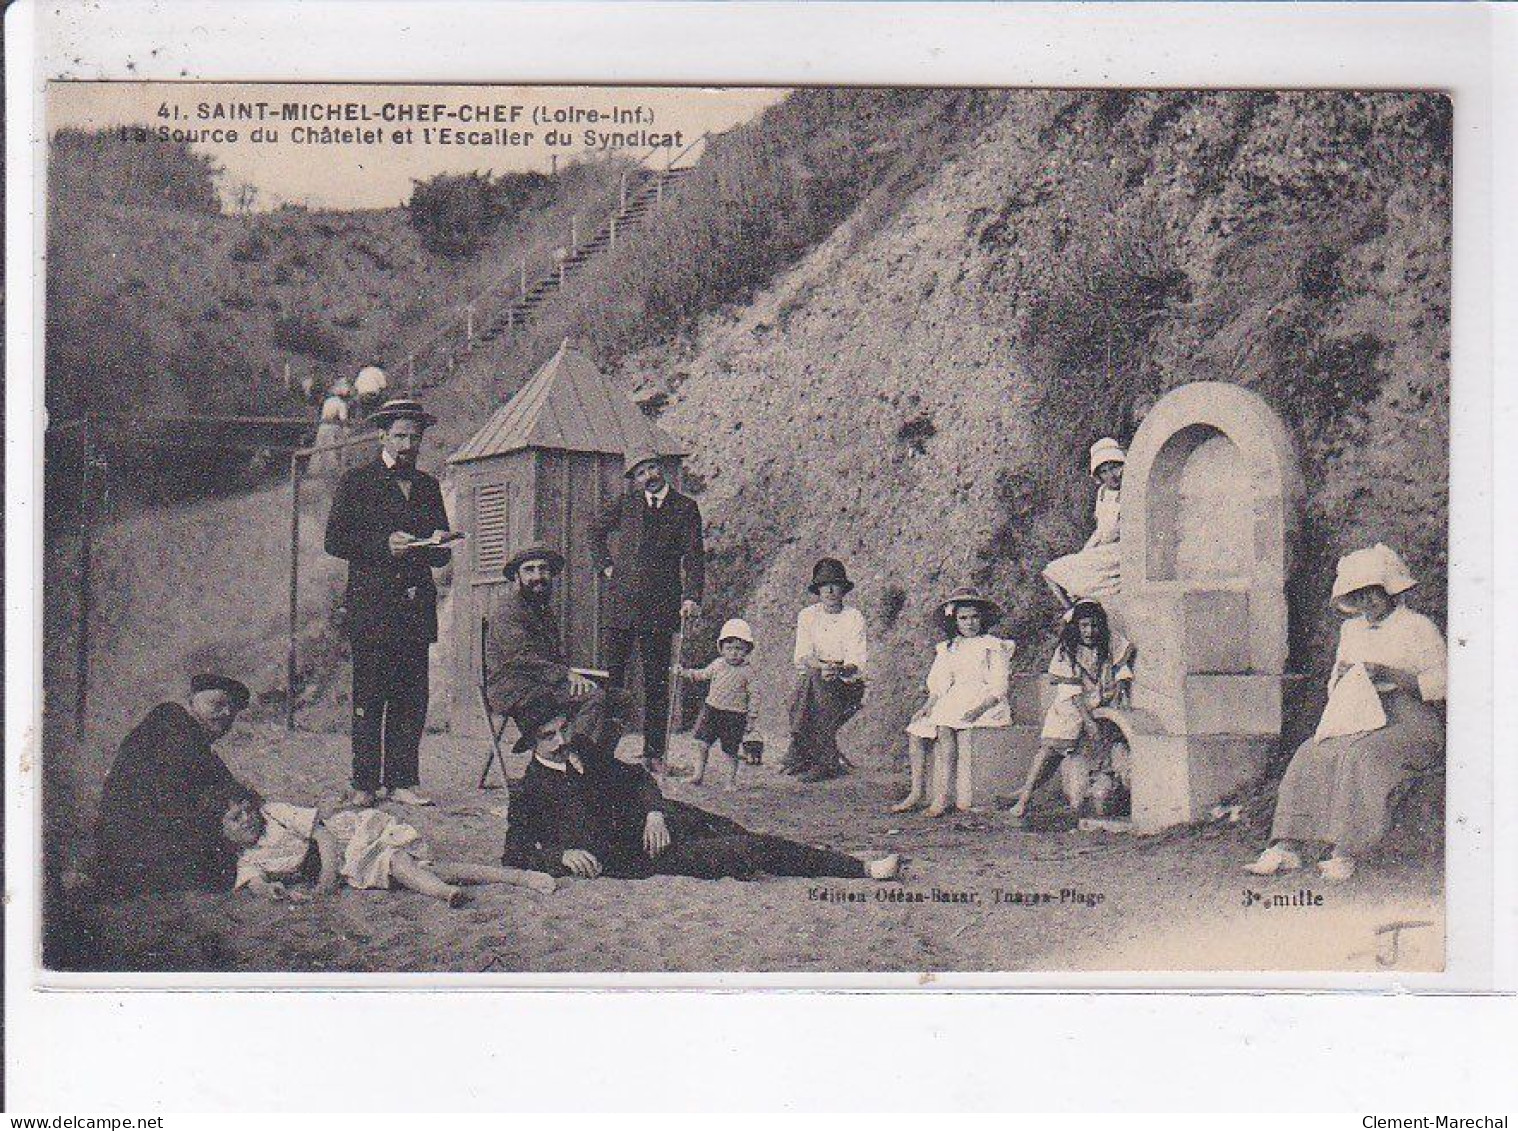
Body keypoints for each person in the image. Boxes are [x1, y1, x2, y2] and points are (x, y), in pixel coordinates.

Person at [502, 697, 901, 882]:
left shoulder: (585, 750)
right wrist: (563, 855)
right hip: (645, 855)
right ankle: (862, 870)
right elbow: (514, 855)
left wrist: (655, 812)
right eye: (547, 736)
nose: (559, 740)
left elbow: (638, 778)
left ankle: (842, 861)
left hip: (660, 820)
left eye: (562, 729)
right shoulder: (529, 791)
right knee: (750, 850)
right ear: (531, 743)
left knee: (735, 830)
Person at [1246, 544, 1447, 883]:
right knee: (1311, 751)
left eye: (1374, 594)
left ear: (1390, 591)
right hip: (1359, 716)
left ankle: (1346, 851)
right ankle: (1286, 845)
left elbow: (1443, 685)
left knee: (1361, 755)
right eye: (1360, 595)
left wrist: (1390, 675)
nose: (1367, 602)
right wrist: (1342, 679)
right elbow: (1336, 689)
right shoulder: (1350, 630)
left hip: (1410, 721)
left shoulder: (1418, 626)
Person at [324, 398, 452, 808]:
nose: (407, 445)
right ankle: (364, 782)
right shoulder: (356, 481)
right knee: (370, 695)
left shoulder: (429, 486)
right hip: (373, 607)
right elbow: (335, 540)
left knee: (411, 696)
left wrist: (435, 545)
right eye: (399, 436)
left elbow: (442, 550)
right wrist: (383, 546)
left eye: (414, 438)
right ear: (382, 435)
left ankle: (402, 780)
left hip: (415, 606)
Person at [221, 795, 555, 908]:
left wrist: (325, 883)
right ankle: (518, 877)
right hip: (351, 865)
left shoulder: (273, 813)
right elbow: (255, 884)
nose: (247, 817)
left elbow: (323, 836)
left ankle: (444, 893)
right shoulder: (248, 859)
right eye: (235, 818)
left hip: (350, 842)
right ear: (224, 836)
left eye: (246, 808)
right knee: (428, 868)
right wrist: (271, 889)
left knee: (397, 861)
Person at [591, 448, 705, 774]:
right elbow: (594, 531)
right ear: (635, 480)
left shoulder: (685, 508)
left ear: (662, 470)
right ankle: (603, 751)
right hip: (622, 606)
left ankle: (654, 754)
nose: (648, 476)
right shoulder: (627, 505)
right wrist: (606, 567)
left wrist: (692, 596)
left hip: (660, 606)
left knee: (656, 681)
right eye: (641, 473)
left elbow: (695, 557)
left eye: (652, 468)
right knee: (614, 680)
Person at [93, 674, 258, 895]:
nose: (227, 714)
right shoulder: (172, 733)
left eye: (233, 708)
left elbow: (220, 782)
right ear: (191, 701)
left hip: (128, 843)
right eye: (216, 704)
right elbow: (175, 803)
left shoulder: (184, 733)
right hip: (137, 848)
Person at [483, 542, 626, 757]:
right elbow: (522, 658)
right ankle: (569, 764)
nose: (537, 576)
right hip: (516, 687)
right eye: (529, 570)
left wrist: (574, 675)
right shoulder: (509, 611)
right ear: (517, 577)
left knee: (620, 698)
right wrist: (566, 675)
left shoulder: (542, 609)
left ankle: (594, 763)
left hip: (544, 682)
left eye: (543, 569)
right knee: (594, 696)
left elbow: (551, 658)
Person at [892, 587, 1012, 818]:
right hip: (953, 698)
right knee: (917, 730)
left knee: (945, 727)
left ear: (982, 618)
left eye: (975, 617)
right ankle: (916, 792)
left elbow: (999, 686)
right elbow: (940, 683)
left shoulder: (993, 646)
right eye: (963, 618)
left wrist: (979, 709)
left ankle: (942, 797)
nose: (969, 623)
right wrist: (926, 707)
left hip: (984, 700)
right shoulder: (949, 648)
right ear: (954, 620)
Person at [1010, 600, 1134, 820]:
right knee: (1051, 750)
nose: (1089, 631)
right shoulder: (1067, 649)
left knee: (1106, 749)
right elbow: (1072, 690)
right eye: (1084, 626)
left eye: (1094, 626)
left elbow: (1121, 671)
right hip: (1071, 705)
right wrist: (1087, 720)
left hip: (1100, 699)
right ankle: (1024, 796)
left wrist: (1118, 696)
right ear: (1076, 626)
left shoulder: (1111, 643)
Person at [784, 558, 868, 782]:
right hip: (816, 674)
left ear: (843, 589)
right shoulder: (808, 615)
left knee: (809, 690)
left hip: (846, 682)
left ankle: (809, 755)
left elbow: (856, 661)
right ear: (818, 589)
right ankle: (818, 758)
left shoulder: (853, 617)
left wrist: (837, 670)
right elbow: (803, 655)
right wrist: (823, 667)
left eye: (835, 584)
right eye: (825, 585)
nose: (830, 590)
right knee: (813, 681)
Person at [1043, 437, 1125, 611]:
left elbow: (1116, 531)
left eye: (1115, 467)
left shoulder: (1130, 490)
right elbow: (1100, 530)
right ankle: (1072, 612)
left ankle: (1081, 608)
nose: (1112, 475)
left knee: (1079, 579)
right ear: (1098, 475)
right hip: (1102, 547)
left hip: (1121, 550)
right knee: (1051, 572)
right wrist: (1084, 553)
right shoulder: (1102, 493)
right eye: (1104, 471)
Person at [679, 618, 758, 790]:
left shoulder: (748, 672)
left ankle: (730, 781)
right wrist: (685, 673)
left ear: (747, 650)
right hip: (712, 710)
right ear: (721, 649)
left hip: (735, 715)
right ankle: (698, 774)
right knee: (701, 743)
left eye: (739, 649)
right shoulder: (718, 665)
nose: (734, 653)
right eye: (729, 648)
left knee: (730, 750)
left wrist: (751, 718)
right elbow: (703, 675)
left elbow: (755, 695)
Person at [310, 379, 353, 477]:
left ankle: (317, 472)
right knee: (334, 450)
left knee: (320, 449)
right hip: (333, 427)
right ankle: (335, 471)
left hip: (323, 426)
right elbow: (344, 420)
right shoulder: (341, 404)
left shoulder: (328, 401)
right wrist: (347, 429)